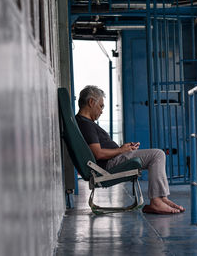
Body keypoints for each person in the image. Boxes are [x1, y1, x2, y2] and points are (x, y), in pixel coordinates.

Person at [75, 85, 185, 214]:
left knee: (156, 155)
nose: (101, 111)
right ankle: (157, 200)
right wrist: (121, 150)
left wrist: (125, 149)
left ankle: (161, 198)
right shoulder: (86, 124)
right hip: (109, 164)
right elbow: (98, 154)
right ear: (91, 102)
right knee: (157, 154)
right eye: (101, 106)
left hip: (114, 159)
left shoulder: (83, 123)